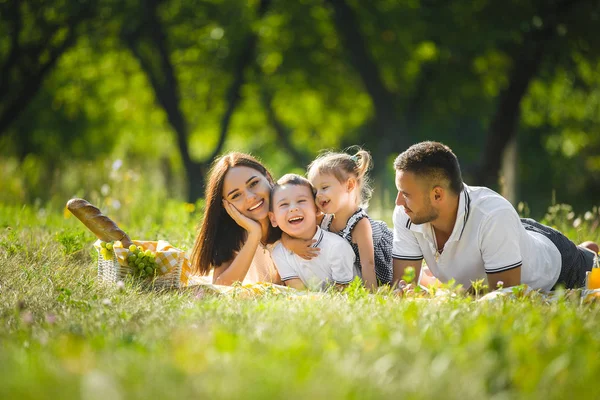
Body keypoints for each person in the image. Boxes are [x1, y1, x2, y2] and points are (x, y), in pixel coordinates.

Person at [392, 141, 599, 292]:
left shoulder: (493, 216)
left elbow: (503, 298)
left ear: (437, 194)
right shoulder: (407, 213)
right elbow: (401, 287)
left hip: (557, 265)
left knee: (591, 267)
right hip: (510, 233)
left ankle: (587, 253)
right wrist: (407, 292)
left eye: (406, 194)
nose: (398, 202)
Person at [302, 148, 395, 289]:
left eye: (324, 187)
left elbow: (368, 264)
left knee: (419, 280)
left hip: (384, 267)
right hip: (352, 276)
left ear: (350, 185)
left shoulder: (360, 224)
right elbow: (297, 230)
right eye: (315, 191)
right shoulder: (325, 219)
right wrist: (293, 245)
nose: (318, 195)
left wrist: (371, 295)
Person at [190, 152, 282, 286]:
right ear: (226, 205)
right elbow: (220, 287)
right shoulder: (231, 235)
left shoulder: (294, 216)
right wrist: (254, 235)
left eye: (254, 183)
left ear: (267, 177)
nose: (250, 197)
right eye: (236, 195)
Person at [269, 174, 359, 291]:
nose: (293, 208)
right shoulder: (279, 253)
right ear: (273, 218)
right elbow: (299, 291)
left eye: (301, 201)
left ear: (317, 209)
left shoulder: (336, 247)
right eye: (284, 204)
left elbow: (344, 292)